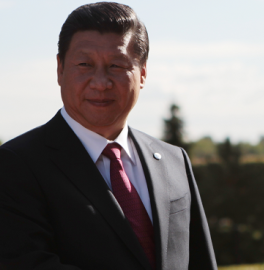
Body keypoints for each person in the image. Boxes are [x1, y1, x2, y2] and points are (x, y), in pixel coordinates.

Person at [0, 2, 217, 270]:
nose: (101, 82)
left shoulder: (174, 161)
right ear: (60, 69)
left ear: (143, 74)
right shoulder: (16, 165)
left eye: (117, 65)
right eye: (84, 64)